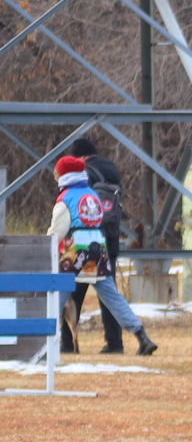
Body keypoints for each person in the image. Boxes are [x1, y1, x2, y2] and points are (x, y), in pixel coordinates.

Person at [47, 151, 156, 357]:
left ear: (63, 177)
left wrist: (44, 248)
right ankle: (142, 336)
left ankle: (45, 340)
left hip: (74, 251)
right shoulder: (92, 195)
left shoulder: (66, 198)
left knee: (57, 296)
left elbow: (56, 233)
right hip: (98, 249)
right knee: (113, 297)